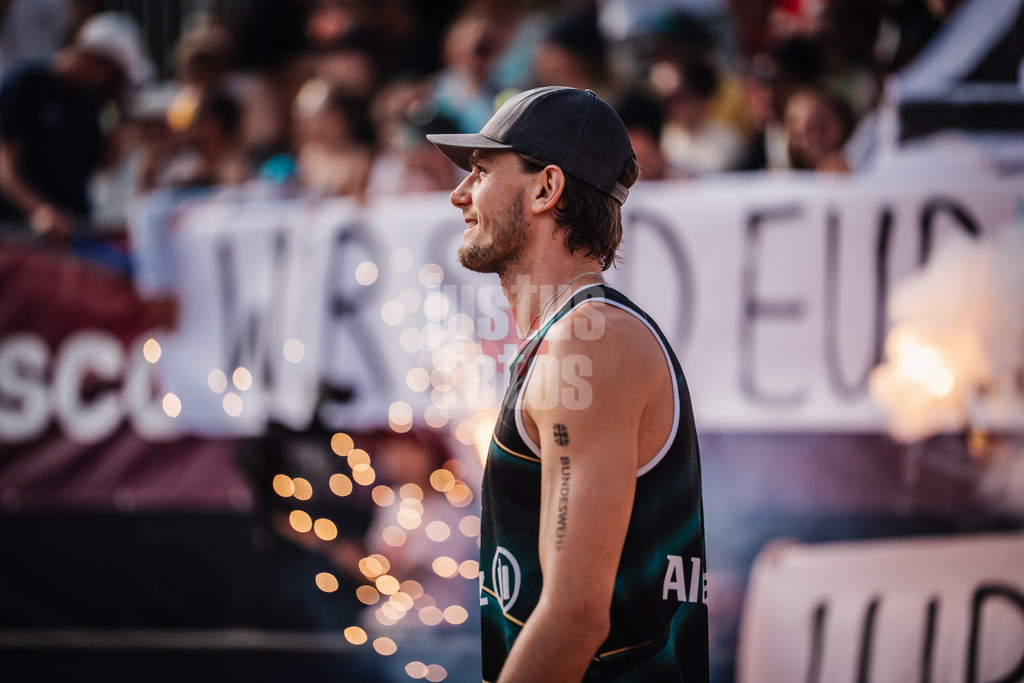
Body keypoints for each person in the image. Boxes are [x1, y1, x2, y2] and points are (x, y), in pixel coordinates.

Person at [427, 86, 708, 682]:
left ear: (546, 188)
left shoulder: (587, 341)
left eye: (479, 171)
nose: (458, 195)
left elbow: (577, 616)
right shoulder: (574, 337)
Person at [0, 11, 150, 242]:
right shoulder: (26, 84)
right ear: (93, 58)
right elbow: (5, 165)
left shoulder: (93, 103)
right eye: (114, 76)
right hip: (18, 235)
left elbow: (101, 167)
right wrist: (39, 211)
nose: (113, 86)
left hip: (74, 233)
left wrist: (121, 138)